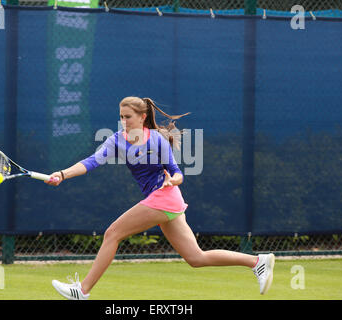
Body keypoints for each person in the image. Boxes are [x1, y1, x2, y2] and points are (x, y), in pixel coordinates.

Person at [46, 96, 275, 299]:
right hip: (165, 201)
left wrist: (172, 180)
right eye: (121, 117)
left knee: (112, 234)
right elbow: (91, 162)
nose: (124, 121)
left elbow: (177, 172)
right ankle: (257, 262)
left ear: (142, 117)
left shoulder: (156, 140)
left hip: (165, 196)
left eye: (128, 117)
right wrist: (63, 174)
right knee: (196, 258)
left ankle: (83, 290)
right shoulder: (116, 139)